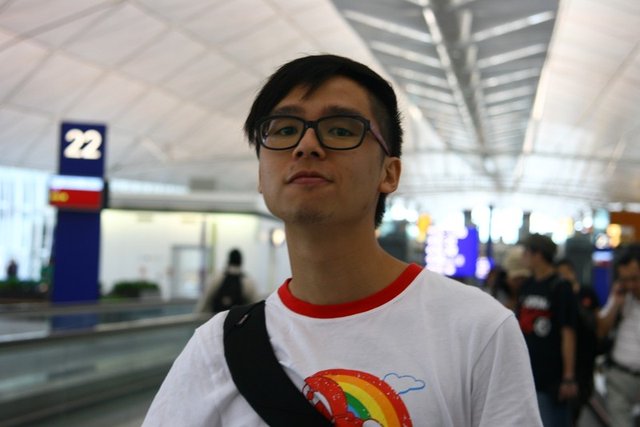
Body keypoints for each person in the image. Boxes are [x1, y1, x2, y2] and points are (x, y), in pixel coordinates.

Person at [143, 54, 541, 426]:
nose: (306, 146)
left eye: (340, 130)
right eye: (284, 130)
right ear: (261, 175)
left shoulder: (476, 329)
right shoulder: (218, 346)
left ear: (389, 173)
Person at [517, 234, 578, 426]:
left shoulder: (560, 287)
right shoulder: (527, 285)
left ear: (538, 255)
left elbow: (568, 333)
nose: (522, 257)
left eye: (526, 252)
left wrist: (568, 377)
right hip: (527, 375)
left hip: (551, 378)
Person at [598, 247, 640, 427]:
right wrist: (616, 303)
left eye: (635, 279)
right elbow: (601, 331)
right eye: (625, 280)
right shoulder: (621, 296)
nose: (630, 285)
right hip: (620, 377)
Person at [555, 257, 600, 425]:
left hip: (585, 361)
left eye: (566, 274)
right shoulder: (556, 297)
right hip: (562, 364)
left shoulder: (586, 293)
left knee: (576, 409)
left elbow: (598, 324)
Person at [195, 248, 257, 315]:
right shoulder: (247, 282)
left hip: (216, 319)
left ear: (228, 261)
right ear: (241, 262)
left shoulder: (216, 277)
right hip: (237, 320)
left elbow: (205, 301)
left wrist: (197, 316)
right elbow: (256, 305)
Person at [500, 245, 531, 311]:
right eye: (516, 279)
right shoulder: (498, 294)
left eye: (523, 278)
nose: (520, 283)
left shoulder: (531, 293)